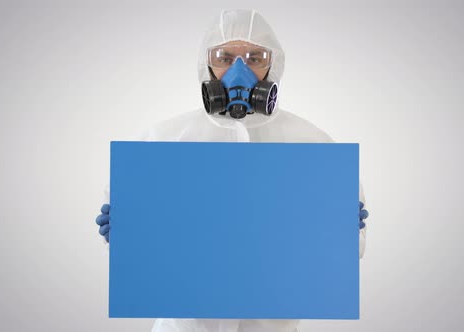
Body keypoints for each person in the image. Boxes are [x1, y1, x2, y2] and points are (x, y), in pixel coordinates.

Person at [95, 9, 370, 332]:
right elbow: (138, 246)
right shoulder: (163, 139)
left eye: (255, 58)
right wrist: (123, 232)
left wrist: (343, 234)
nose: (239, 71)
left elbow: (347, 253)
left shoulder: (314, 144)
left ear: (274, 64)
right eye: (224, 57)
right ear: (206, 64)